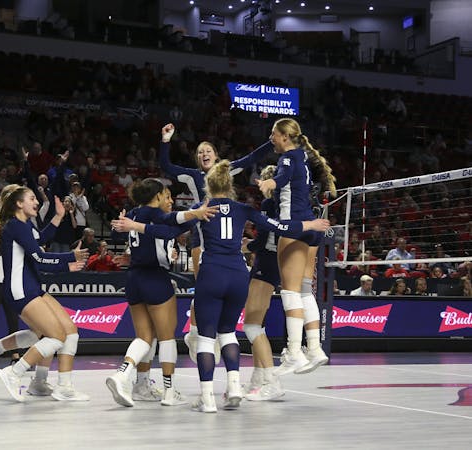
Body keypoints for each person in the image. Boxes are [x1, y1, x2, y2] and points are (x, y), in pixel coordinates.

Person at [113, 163, 329, 412]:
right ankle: (234, 387)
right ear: (230, 185)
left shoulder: (201, 209)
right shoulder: (244, 208)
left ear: (208, 185)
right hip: (238, 275)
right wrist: (310, 225)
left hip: (212, 274)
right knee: (228, 333)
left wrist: (136, 226)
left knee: (206, 338)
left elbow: (166, 229)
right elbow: (279, 227)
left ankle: (207, 399)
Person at [158, 123, 274, 361]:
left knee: (220, 287)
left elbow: (252, 158)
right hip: (201, 233)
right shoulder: (192, 176)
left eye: (208, 150)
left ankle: (219, 334)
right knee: (203, 287)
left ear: (216, 155)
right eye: (200, 152)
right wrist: (166, 141)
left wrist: (272, 142)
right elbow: (166, 166)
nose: (204, 154)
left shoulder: (226, 170)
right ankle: (195, 332)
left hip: (225, 237)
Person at [106, 178, 218, 408]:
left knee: (144, 337)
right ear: (156, 196)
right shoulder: (154, 213)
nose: (170, 200)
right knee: (167, 338)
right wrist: (197, 213)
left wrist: (193, 218)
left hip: (133, 278)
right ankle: (169, 391)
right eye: (166, 196)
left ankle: (128, 378)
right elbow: (171, 223)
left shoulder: (134, 214)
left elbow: (164, 230)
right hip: (155, 278)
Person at [0, 185, 90, 402]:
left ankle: (53, 385)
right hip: (20, 289)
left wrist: (58, 216)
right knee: (55, 336)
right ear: (19, 203)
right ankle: (14, 372)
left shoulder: (24, 225)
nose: (37, 202)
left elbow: (40, 240)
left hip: (31, 286)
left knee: (69, 332)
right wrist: (69, 259)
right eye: (31, 198)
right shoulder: (15, 226)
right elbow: (40, 258)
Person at [256, 117, 337, 376]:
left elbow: (282, 177)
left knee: (289, 292)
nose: (271, 138)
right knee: (303, 291)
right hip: (310, 227)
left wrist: (269, 183)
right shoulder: (303, 157)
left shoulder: (288, 158)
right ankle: (314, 348)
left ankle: (293, 352)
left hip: (294, 226)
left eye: (273, 134)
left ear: (284, 136)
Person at [241, 165, 285, 402]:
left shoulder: (269, 204)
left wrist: (245, 246)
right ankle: (258, 379)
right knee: (258, 325)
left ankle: (272, 381)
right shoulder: (287, 205)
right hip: (276, 263)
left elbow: (264, 240)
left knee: (251, 326)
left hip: (266, 263)